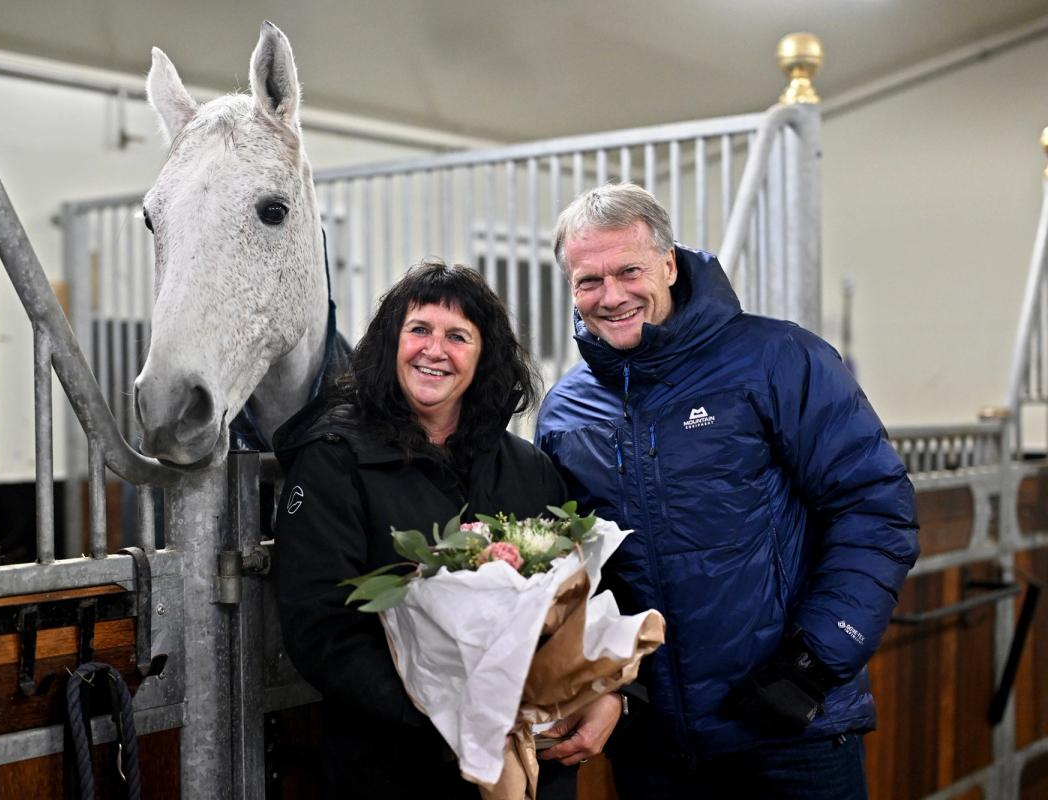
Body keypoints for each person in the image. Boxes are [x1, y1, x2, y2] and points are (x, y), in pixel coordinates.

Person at [534, 183, 919, 798]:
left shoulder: (777, 358)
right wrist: (612, 688)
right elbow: (584, 576)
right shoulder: (565, 413)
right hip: (655, 745)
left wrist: (812, 665)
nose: (611, 296)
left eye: (628, 270)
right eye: (588, 281)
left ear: (668, 263)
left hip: (793, 731)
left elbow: (875, 507)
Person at [273, 259, 579, 799]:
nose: (434, 350)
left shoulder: (528, 469)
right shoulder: (335, 460)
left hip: (529, 761)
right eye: (419, 330)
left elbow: (574, 605)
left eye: (458, 335)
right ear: (392, 343)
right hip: (396, 766)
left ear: (484, 356)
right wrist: (446, 714)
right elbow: (322, 628)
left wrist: (595, 696)